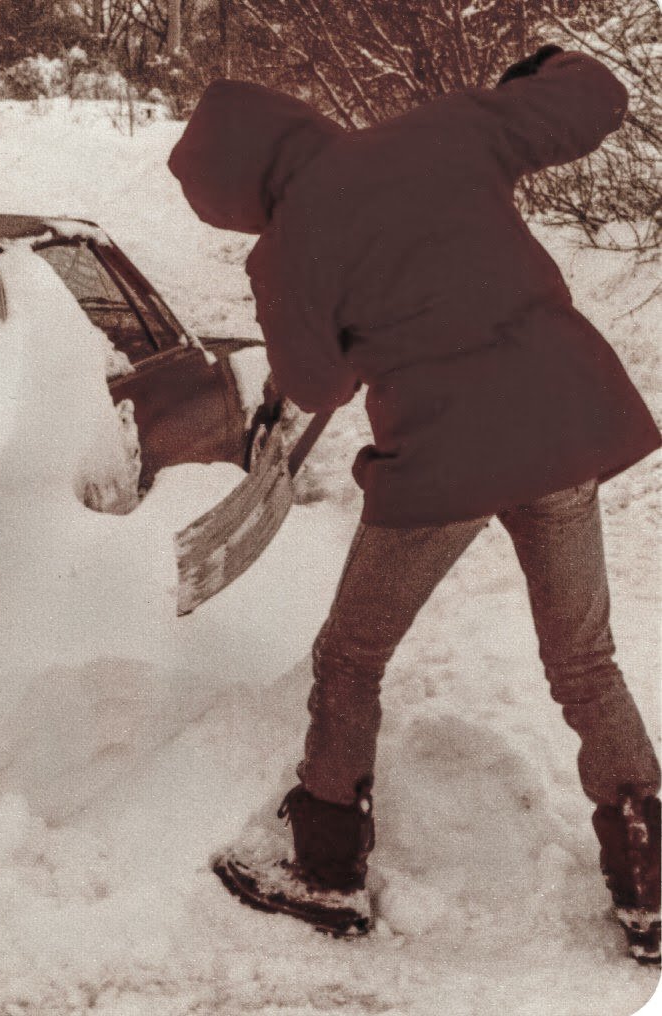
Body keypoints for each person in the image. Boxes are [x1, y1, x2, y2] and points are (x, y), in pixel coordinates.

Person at [166, 45, 662, 964]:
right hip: (563, 426)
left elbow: (316, 384)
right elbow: (595, 98)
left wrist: (344, 332)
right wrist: (542, 67)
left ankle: (324, 869)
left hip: (443, 460)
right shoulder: (443, 130)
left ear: (241, 195)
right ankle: (651, 884)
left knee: (350, 656)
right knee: (584, 659)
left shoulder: (285, 251)